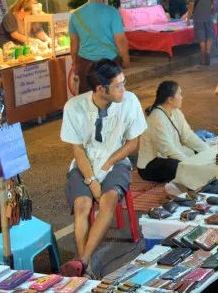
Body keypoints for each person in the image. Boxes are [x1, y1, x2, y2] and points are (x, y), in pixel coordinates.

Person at [60, 59, 146, 278]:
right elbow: (77, 149)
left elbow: (132, 143)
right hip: (85, 163)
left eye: (123, 83)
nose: (123, 89)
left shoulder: (130, 101)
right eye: (118, 86)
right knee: (82, 204)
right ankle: (85, 264)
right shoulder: (74, 106)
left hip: (116, 161)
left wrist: (107, 165)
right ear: (101, 89)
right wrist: (91, 179)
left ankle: (83, 261)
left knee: (107, 201)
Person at [69, 0, 130, 94]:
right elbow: (120, 40)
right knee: (112, 95)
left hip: (85, 63)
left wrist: (75, 63)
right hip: (110, 62)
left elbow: (74, 44)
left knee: (88, 97)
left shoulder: (75, 15)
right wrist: (126, 58)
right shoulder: (112, 12)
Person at [137, 80, 207, 183]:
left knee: (198, 151)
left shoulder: (176, 112)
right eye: (179, 94)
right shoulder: (157, 118)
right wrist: (189, 165)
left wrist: (207, 151)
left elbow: (188, 136)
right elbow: (168, 150)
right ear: (170, 99)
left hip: (167, 156)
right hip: (150, 165)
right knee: (177, 166)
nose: (182, 97)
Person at [186, 0, 216, 66]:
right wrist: (213, 11)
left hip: (198, 18)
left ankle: (203, 59)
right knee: (209, 36)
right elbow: (214, 2)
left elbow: (191, 6)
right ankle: (208, 53)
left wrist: (188, 18)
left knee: (201, 38)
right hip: (208, 16)